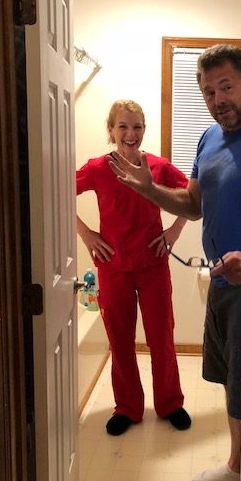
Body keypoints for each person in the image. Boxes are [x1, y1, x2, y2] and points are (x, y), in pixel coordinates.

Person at [107, 45, 241, 481]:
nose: (217, 99)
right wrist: (147, 189)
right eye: (208, 91)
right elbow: (193, 204)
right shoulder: (209, 137)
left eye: (227, 86)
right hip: (222, 283)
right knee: (231, 382)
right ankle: (237, 466)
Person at [76, 99, 192, 436]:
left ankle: (170, 403)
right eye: (123, 126)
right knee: (120, 339)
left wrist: (175, 230)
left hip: (153, 265)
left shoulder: (158, 167)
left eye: (137, 126)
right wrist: (86, 234)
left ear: (144, 130)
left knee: (161, 337)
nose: (131, 133)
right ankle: (127, 407)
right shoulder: (98, 168)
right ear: (111, 130)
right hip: (113, 267)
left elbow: (194, 197)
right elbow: (57, 193)